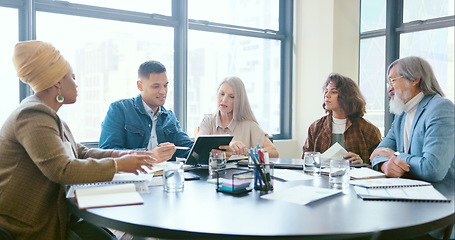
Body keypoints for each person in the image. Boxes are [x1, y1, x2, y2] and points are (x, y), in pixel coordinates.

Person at [0, 41, 175, 240]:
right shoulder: (33, 114)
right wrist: (118, 164)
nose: (76, 84)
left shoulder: (52, 118)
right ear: (58, 82)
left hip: (60, 217)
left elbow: (81, 152)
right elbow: (62, 169)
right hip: (27, 226)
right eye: (72, 78)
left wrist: (125, 154)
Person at [370, 56, 454, 182]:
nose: (389, 89)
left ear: (414, 78)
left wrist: (395, 156)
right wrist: (385, 165)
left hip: (440, 196)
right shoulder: (401, 115)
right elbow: (377, 154)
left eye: (393, 80)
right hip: (408, 192)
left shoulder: (440, 108)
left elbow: (432, 169)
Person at [99, 60, 193, 161]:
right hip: (133, 176)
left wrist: (208, 149)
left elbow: (188, 148)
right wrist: (148, 155)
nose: (163, 91)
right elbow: (106, 152)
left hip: (165, 175)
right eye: (155, 86)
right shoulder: (119, 110)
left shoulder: (169, 117)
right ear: (140, 85)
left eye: (165, 85)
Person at [302, 73, 382, 164]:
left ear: (347, 96)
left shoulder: (368, 130)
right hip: (322, 177)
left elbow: (379, 165)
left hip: (356, 178)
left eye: (334, 92)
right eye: (326, 91)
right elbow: (304, 161)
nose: (327, 95)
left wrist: (363, 164)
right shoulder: (315, 127)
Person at [198, 76, 279, 159]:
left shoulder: (249, 125)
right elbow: (197, 152)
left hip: (241, 172)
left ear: (239, 100)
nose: (224, 100)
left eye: (231, 96)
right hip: (212, 171)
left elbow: (274, 152)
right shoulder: (208, 120)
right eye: (222, 94)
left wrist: (246, 152)